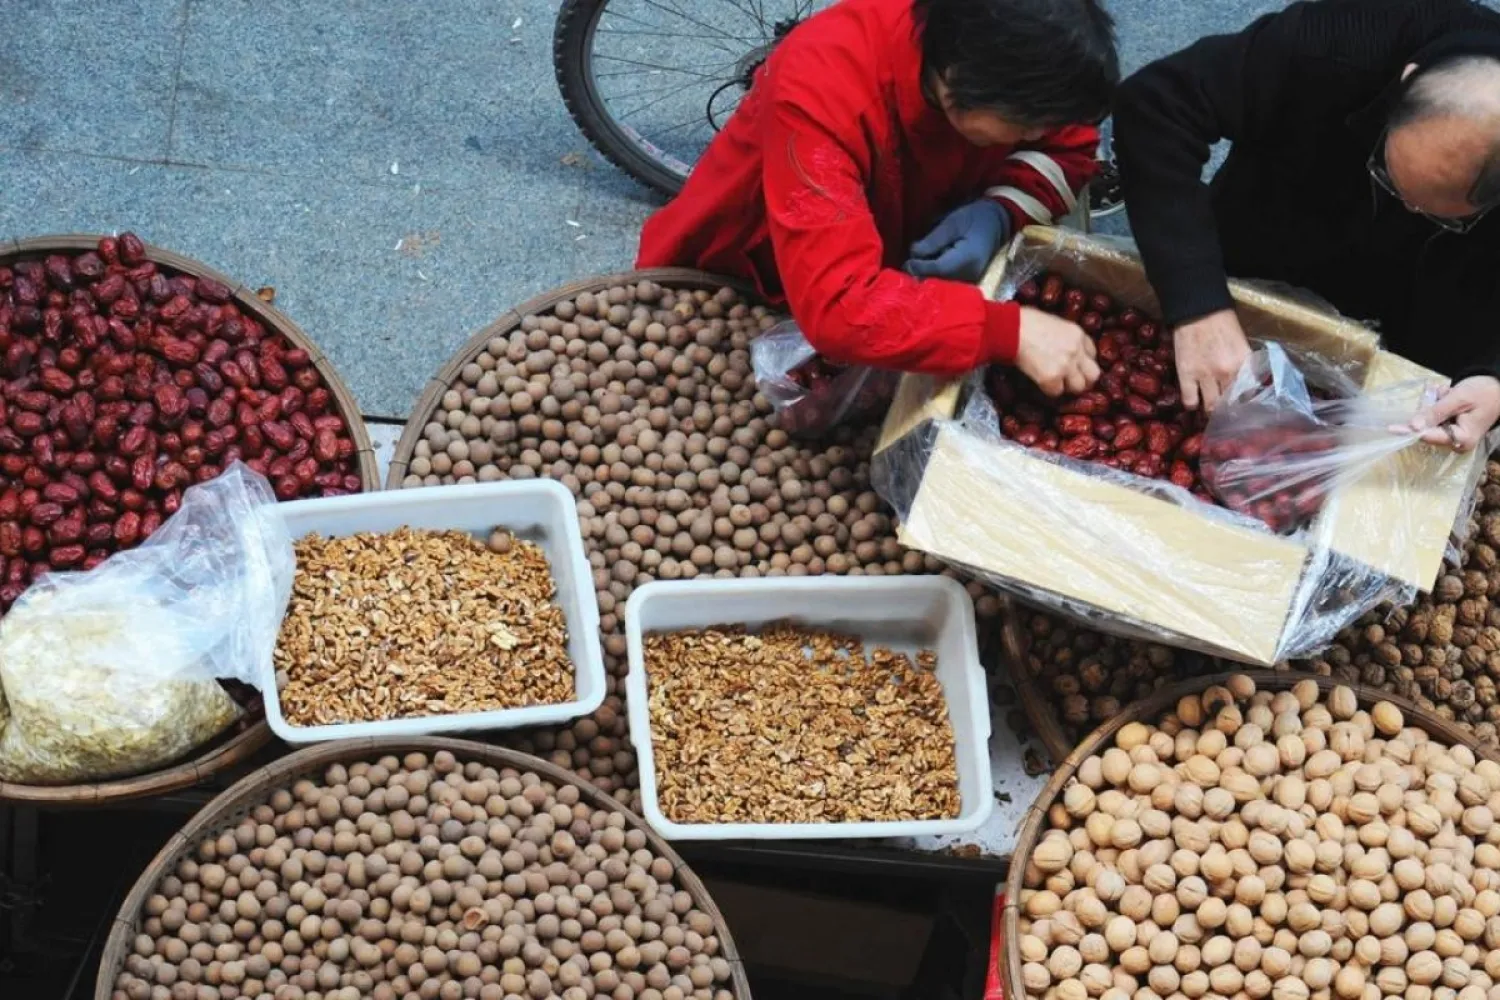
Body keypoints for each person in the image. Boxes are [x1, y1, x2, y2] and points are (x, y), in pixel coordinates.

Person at [634, 0, 1119, 397]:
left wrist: (1003, 209)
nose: (1038, 134)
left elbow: (1069, 146)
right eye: (1025, 127)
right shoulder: (823, 85)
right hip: (764, 261)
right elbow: (839, 304)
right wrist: (1007, 332)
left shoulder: (1026, 70)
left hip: (891, 257)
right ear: (955, 86)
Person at [1113, 0, 1500, 451]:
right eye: (1387, 176)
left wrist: (1493, 377)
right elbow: (1156, 105)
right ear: (1405, 79)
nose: (1405, 210)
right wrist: (1197, 304)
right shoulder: (1334, 43)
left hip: (1442, 300)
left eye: (1436, 213)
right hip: (1273, 235)